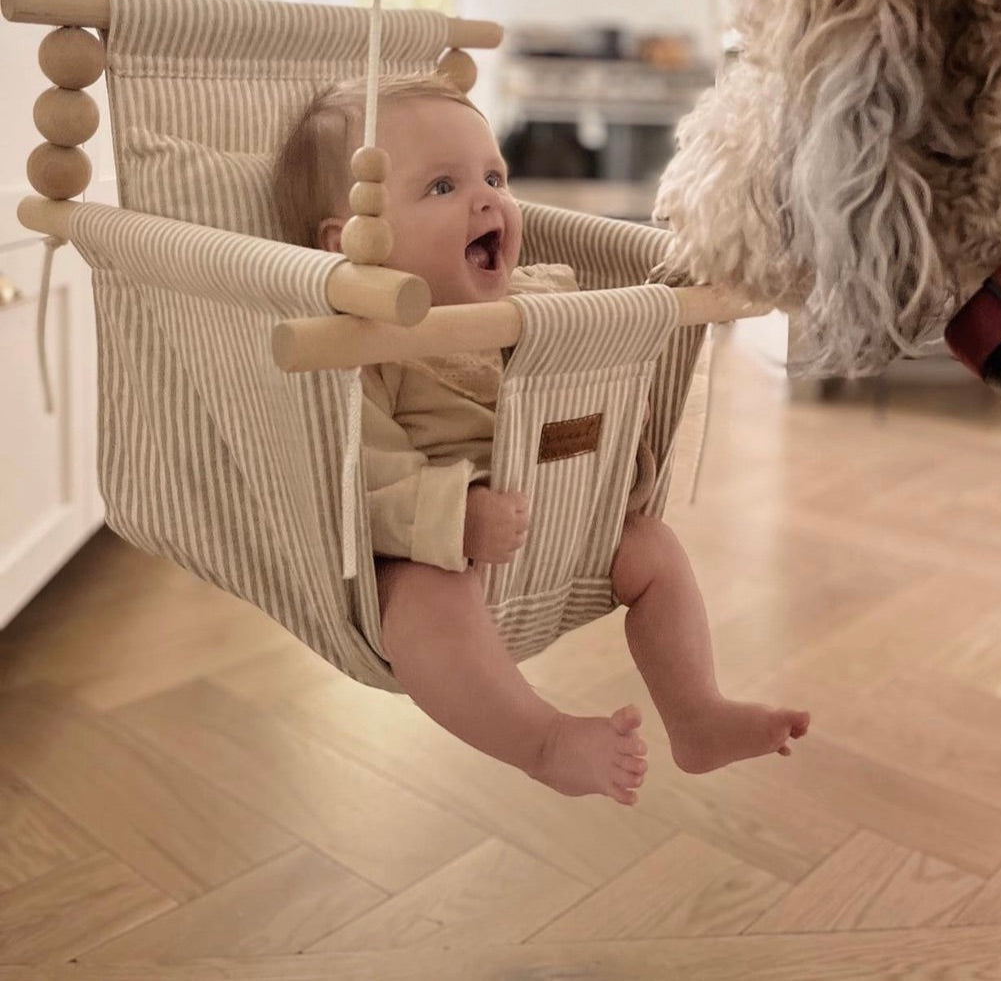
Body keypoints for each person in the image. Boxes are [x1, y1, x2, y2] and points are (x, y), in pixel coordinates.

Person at [273, 73, 810, 804]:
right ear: (356, 243)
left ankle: (696, 713)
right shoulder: (370, 346)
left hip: (566, 527)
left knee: (653, 548)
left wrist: (621, 420)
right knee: (423, 604)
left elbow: (597, 413)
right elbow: (354, 478)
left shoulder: (548, 299)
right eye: (441, 187)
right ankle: (542, 739)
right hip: (440, 556)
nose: (486, 198)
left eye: (494, 175)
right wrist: (453, 515)